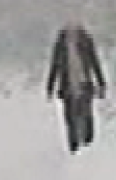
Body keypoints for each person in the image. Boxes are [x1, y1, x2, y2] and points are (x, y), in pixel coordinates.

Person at [46, 22, 107, 153]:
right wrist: (50, 87)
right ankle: (74, 150)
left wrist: (101, 83)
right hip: (67, 87)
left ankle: (89, 145)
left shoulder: (86, 39)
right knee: (70, 119)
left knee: (86, 115)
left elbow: (94, 61)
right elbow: (55, 65)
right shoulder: (61, 43)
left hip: (84, 85)